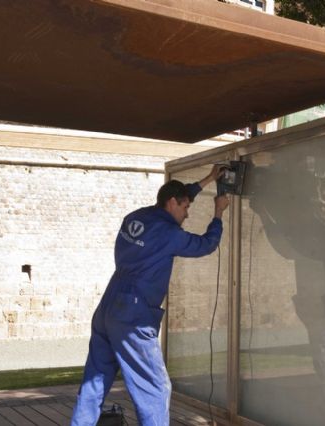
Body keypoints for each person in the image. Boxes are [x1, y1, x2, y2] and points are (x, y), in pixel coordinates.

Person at [71, 165, 229, 426]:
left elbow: (180, 194)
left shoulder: (136, 217)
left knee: (94, 382)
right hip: (133, 314)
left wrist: (210, 179)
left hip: (108, 306)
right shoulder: (170, 234)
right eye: (186, 208)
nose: (187, 214)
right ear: (171, 203)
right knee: (155, 389)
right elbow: (206, 245)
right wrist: (218, 214)